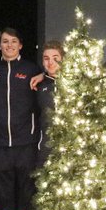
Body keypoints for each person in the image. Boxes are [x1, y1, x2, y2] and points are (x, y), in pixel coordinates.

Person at [0, 27, 43, 210]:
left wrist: (43, 75)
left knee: (27, 195)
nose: (9, 45)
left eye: (13, 41)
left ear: (20, 45)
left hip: (26, 143)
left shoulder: (32, 69)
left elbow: (54, 75)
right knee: (2, 197)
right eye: (5, 41)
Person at [35, 40, 64, 168]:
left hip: (71, 149)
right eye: (46, 58)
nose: (50, 62)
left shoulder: (76, 83)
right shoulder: (38, 85)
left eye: (55, 58)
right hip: (46, 149)